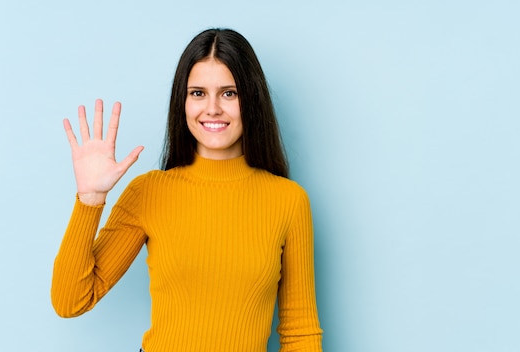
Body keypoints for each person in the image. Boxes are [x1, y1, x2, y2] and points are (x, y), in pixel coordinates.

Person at [51, 28, 323, 352]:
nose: (212, 109)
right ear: (182, 100)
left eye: (229, 93)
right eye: (197, 93)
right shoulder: (149, 192)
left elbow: (299, 332)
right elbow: (71, 301)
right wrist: (90, 200)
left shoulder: (288, 200)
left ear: (251, 99)